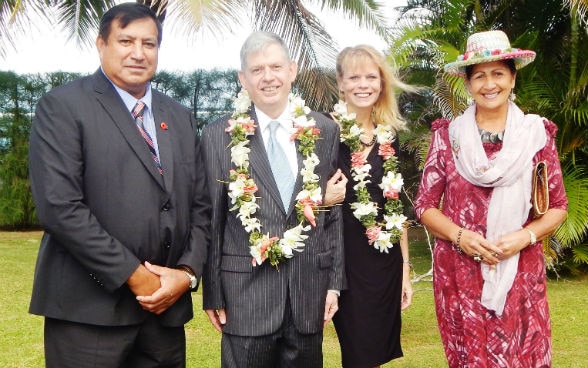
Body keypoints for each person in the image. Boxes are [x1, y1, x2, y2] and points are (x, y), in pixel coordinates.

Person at [28, 3, 210, 367]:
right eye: (126, 41)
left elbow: (201, 207)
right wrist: (133, 275)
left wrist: (186, 274)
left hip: (164, 313)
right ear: (101, 44)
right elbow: (59, 206)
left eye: (149, 43)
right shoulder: (63, 106)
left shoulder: (179, 116)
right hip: (89, 313)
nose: (138, 53)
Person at [414, 30, 568, 367]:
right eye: (479, 76)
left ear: (513, 78)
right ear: (468, 84)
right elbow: (424, 205)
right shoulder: (448, 137)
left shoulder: (536, 135)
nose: (489, 84)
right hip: (460, 271)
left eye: (498, 73)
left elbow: (558, 207)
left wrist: (524, 237)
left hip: (520, 270)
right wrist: (461, 236)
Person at [201, 31, 345, 368]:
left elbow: (330, 213)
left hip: (308, 291)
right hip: (245, 297)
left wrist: (334, 284)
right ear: (243, 78)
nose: (268, 77)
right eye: (257, 69)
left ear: (292, 70)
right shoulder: (217, 135)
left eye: (276, 67)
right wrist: (213, 291)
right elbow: (211, 219)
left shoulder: (323, 130)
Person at [324, 45, 414, 368]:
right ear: (341, 82)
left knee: (372, 355)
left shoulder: (388, 136)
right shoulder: (325, 131)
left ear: (381, 83)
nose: (363, 84)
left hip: (384, 261)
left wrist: (405, 267)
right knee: (358, 352)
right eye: (354, 77)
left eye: (371, 77)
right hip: (344, 261)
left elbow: (395, 203)